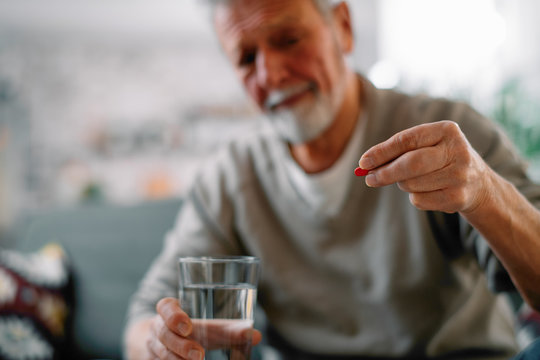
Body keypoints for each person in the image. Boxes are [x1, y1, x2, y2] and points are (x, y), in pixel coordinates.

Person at [123, 0, 540, 359]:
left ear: (343, 27)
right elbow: (143, 320)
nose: (271, 74)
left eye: (288, 39)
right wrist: (160, 343)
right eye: (247, 59)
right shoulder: (229, 179)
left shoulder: (450, 134)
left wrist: (486, 192)